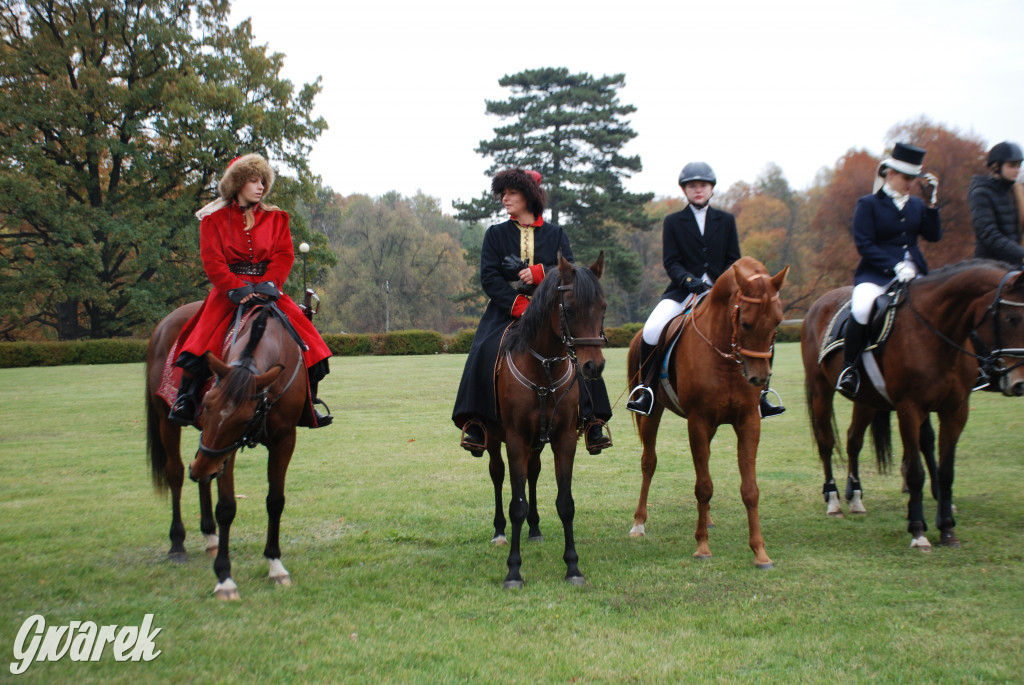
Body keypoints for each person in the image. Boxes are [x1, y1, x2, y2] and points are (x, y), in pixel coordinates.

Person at [452, 168, 613, 456]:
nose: (505, 198)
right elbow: (489, 277)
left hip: (553, 312)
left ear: (529, 195)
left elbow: (573, 273)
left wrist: (541, 273)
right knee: (483, 349)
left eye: (512, 192)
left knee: (584, 347)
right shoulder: (495, 234)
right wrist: (518, 305)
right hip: (506, 309)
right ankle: (477, 421)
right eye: (503, 193)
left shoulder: (556, 234)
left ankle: (592, 420)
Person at [168, 153, 333, 427]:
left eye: (262, 181)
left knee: (309, 341)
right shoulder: (213, 220)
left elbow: (284, 255)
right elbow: (212, 260)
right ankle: (186, 398)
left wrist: (270, 284)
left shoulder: (277, 218)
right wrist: (235, 288)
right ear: (238, 184)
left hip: (269, 288)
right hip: (228, 291)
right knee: (202, 340)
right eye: (253, 181)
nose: (260, 187)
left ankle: (308, 402)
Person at [626, 162, 785, 418]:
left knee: (761, 327)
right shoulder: (674, 221)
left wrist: (722, 284)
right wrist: (689, 281)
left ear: (711, 189)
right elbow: (671, 262)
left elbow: (735, 259)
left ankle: (763, 394)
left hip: (722, 294)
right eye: (692, 186)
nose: (698, 190)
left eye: (703, 185)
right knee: (653, 329)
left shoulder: (726, 220)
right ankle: (647, 391)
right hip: (683, 291)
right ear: (685, 190)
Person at [837, 142, 941, 397]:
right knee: (861, 307)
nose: (910, 183)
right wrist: (894, 266)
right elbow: (864, 244)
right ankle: (849, 369)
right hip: (876, 274)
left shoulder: (916, 204)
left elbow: (934, 235)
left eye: (913, 179)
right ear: (890, 174)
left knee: (948, 302)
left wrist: (931, 203)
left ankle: (976, 363)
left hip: (917, 272)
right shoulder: (868, 204)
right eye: (906, 178)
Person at [970, 141, 1023, 264]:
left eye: (1019, 165)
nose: (1017, 170)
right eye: (1012, 166)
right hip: (989, 266)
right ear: (996, 167)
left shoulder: (1015, 190)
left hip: (1014, 262)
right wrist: (1021, 254)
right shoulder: (981, 193)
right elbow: (989, 234)